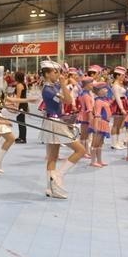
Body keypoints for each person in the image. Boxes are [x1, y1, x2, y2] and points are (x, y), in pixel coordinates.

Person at [39, 60, 86, 198]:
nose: (58, 75)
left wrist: (65, 82)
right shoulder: (48, 90)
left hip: (54, 121)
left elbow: (73, 89)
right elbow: (67, 101)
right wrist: (64, 84)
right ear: (47, 74)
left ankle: (50, 188)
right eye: (55, 72)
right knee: (80, 150)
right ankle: (58, 176)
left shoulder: (53, 86)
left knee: (52, 157)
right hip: (54, 122)